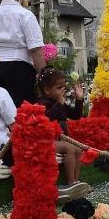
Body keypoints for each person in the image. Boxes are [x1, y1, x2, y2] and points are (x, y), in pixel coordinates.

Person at [37, 67, 89, 199]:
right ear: (47, 90)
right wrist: (59, 104)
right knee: (70, 148)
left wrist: (79, 99)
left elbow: (75, 116)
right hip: (44, 140)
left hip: (57, 139)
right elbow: (47, 118)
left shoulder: (57, 102)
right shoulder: (42, 103)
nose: (63, 91)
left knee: (78, 149)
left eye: (63, 87)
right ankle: (71, 182)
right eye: (59, 88)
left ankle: (76, 181)